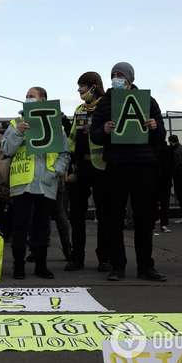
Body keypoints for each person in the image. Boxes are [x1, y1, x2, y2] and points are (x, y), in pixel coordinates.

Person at [90, 62, 167, 282]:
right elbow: (95, 135)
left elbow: (160, 134)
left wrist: (154, 126)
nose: (116, 78)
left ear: (130, 78)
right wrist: (103, 130)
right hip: (116, 166)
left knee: (144, 218)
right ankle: (118, 266)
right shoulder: (105, 103)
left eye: (120, 75)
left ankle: (146, 267)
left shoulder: (148, 101)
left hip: (144, 166)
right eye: (113, 75)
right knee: (114, 218)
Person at [1, 86, 70, 280]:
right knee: (20, 226)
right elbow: (6, 149)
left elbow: (65, 153)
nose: (27, 99)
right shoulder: (16, 123)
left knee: (42, 227)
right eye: (26, 96)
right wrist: (18, 133)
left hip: (46, 183)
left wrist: (54, 171)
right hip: (22, 182)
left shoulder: (55, 124)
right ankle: (18, 266)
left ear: (43, 100)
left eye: (31, 96)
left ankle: (41, 265)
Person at [66, 71, 112, 272]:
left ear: (93, 86)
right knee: (76, 215)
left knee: (104, 214)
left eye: (81, 87)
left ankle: (104, 257)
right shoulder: (79, 109)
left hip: (102, 167)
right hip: (81, 167)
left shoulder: (107, 107)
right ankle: (77, 257)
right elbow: (72, 139)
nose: (79, 91)